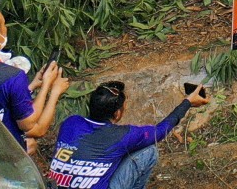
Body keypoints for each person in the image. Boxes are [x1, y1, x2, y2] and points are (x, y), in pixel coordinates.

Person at [46, 80, 208, 189]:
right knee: (148, 152)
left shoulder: (70, 123)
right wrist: (187, 103)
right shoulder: (122, 135)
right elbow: (160, 131)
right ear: (117, 114)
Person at [0, 7, 68, 149]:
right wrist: (47, 84)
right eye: (4, 24)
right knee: (30, 144)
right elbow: (29, 125)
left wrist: (31, 86)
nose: (6, 28)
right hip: (2, 150)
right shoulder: (12, 76)